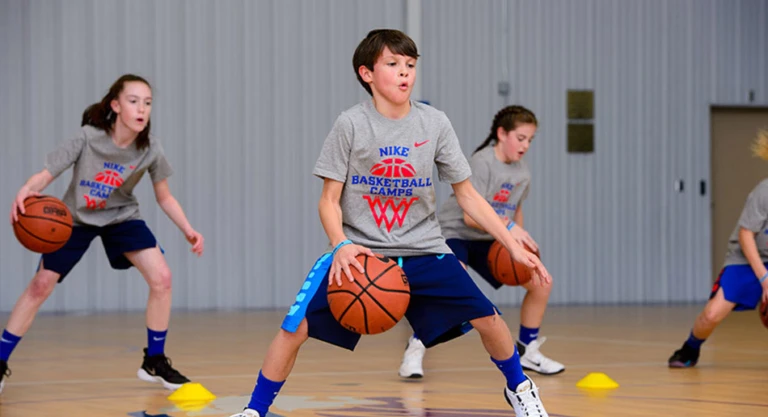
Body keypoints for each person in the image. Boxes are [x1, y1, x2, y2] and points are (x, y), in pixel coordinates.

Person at [229, 29, 551, 417]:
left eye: (410, 65)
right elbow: (328, 201)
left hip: (426, 248)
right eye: (393, 64)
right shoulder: (350, 124)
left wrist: (511, 242)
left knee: (489, 319)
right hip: (361, 254)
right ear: (367, 74)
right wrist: (340, 244)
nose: (405, 73)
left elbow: (467, 195)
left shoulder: (434, 124)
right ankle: (254, 411)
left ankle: (520, 389)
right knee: (293, 329)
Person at [0, 74, 204, 395]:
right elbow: (47, 174)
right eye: (133, 101)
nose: (141, 109)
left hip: (121, 218)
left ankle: (154, 361)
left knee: (162, 278)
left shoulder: (149, 148)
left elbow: (164, 196)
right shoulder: (87, 138)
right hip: (75, 219)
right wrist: (25, 191)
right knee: (40, 285)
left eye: (147, 103)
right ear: (115, 105)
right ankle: (0, 361)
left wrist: (188, 229)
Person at [399, 105, 565, 379]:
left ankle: (528, 349)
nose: (525, 146)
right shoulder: (482, 161)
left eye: (530, 140)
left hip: (489, 239)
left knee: (540, 281)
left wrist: (517, 246)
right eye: (520, 138)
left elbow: (515, 209)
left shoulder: (522, 171)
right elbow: (471, 216)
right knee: (454, 286)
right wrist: (509, 227)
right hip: (456, 233)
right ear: (502, 134)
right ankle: (416, 346)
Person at [668, 130, 768, 368]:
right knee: (712, 315)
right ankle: (690, 348)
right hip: (746, 258)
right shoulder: (764, 192)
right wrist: (764, 279)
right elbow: (746, 237)